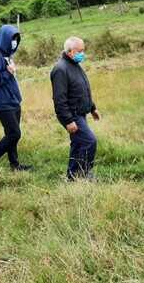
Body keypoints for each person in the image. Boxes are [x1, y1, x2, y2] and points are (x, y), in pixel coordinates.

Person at [0, 25, 32, 171]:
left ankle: (14, 165)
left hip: (13, 101)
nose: (14, 42)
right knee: (15, 134)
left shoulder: (6, 56)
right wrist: (7, 73)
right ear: (4, 39)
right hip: (2, 103)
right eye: (12, 39)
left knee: (11, 134)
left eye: (16, 39)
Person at [50, 37, 100, 181]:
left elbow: (82, 90)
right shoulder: (60, 69)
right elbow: (59, 100)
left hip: (80, 112)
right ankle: (84, 174)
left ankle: (71, 177)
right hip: (72, 114)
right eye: (80, 51)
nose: (83, 54)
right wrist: (68, 120)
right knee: (89, 141)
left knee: (78, 143)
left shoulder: (74, 65)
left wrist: (92, 108)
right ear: (71, 51)